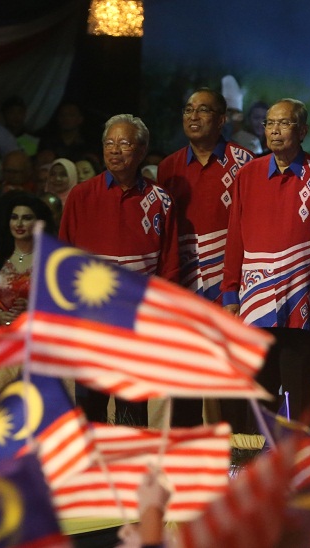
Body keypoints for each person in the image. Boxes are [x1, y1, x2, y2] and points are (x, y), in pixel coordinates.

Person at [221, 98, 310, 431]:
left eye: (284, 123)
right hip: (255, 304)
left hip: (304, 303)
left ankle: (304, 462)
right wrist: (230, 293)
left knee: (301, 397)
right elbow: (235, 237)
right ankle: (256, 460)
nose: (274, 130)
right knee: (259, 395)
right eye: (270, 123)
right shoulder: (248, 174)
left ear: (302, 131)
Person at [59, 113, 179, 426]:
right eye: (109, 143)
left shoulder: (160, 200)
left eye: (124, 143)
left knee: (133, 411)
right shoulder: (81, 195)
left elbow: (169, 265)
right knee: (90, 409)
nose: (114, 150)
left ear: (142, 150)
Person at [157, 86, 255, 427]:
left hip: (231, 290)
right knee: (184, 380)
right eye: (188, 110)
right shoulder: (168, 168)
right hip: (185, 287)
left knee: (231, 380)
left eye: (203, 110)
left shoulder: (245, 163)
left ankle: (237, 451)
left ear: (222, 119)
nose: (193, 116)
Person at [0, 192, 54, 327]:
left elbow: (63, 304)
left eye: (27, 218)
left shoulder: (51, 259)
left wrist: (33, 307)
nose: (19, 224)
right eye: (14, 217)